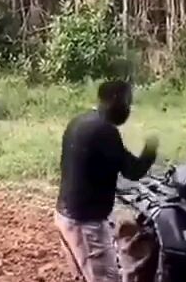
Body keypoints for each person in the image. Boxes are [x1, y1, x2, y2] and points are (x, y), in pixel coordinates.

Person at [55, 80, 159, 282]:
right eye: (127, 102)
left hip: (65, 216)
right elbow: (133, 171)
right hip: (85, 224)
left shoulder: (80, 121)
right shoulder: (105, 131)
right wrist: (151, 148)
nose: (128, 109)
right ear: (115, 101)